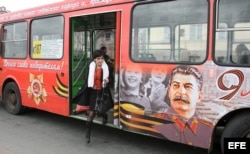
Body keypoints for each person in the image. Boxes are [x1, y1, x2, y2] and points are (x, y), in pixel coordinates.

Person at [153, 65, 213, 149]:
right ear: (169, 92)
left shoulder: (208, 130)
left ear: (199, 96)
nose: (181, 92)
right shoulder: (154, 122)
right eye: (176, 85)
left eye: (188, 87)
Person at [85, 50, 109, 143]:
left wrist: (107, 80)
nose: (100, 60)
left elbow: (108, 78)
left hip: (102, 91)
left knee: (99, 110)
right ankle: (88, 133)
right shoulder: (91, 66)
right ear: (94, 59)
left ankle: (104, 116)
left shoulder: (105, 67)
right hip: (93, 92)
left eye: (102, 58)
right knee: (92, 113)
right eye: (98, 58)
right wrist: (92, 85)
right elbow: (89, 79)